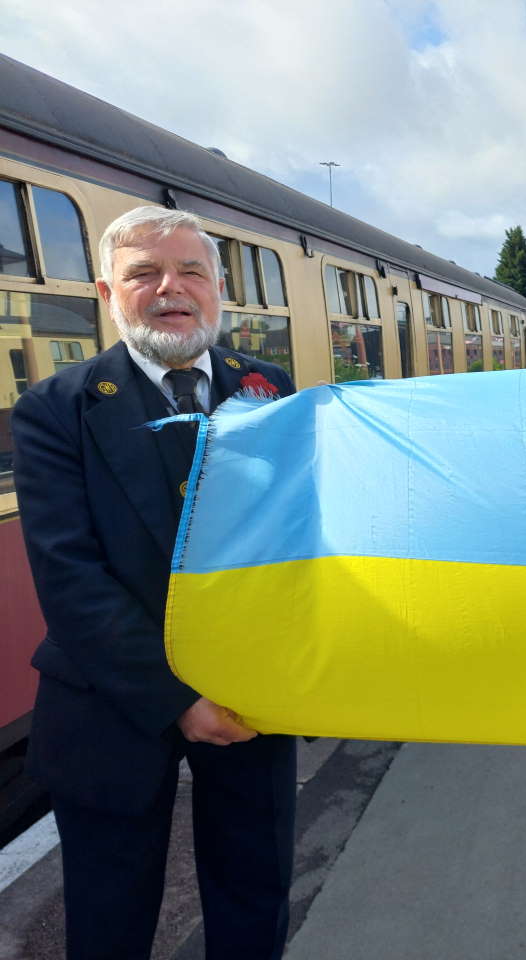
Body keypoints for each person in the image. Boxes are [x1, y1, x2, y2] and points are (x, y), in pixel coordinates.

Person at [13, 206, 297, 959]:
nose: (171, 288)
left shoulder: (269, 387)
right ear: (109, 293)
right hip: (108, 702)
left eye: (191, 271)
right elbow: (69, 577)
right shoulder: (56, 408)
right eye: (145, 274)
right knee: (110, 912)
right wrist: (176, 699)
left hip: (248, 691)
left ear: (218, 290)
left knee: (254, 890)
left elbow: (297, 538)